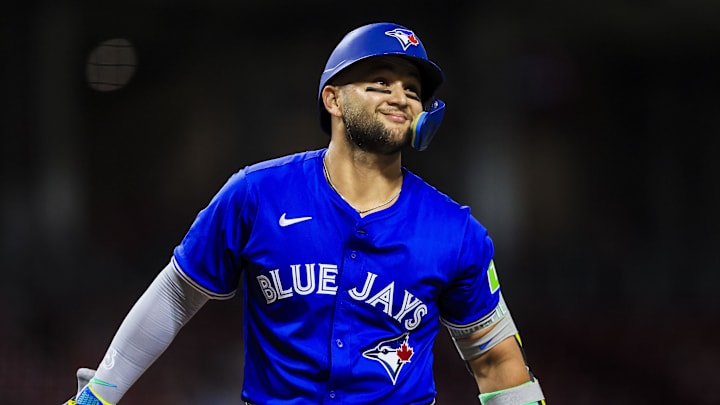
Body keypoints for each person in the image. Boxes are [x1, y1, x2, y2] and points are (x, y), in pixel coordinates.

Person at [63, 22, 546, 405]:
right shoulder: (257, 194)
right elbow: (176, 294)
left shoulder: (455, 231)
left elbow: (496, 361)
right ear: (332, 98)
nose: (401, 96)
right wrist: (100, 392)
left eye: (413, 89)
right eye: (381, 82)